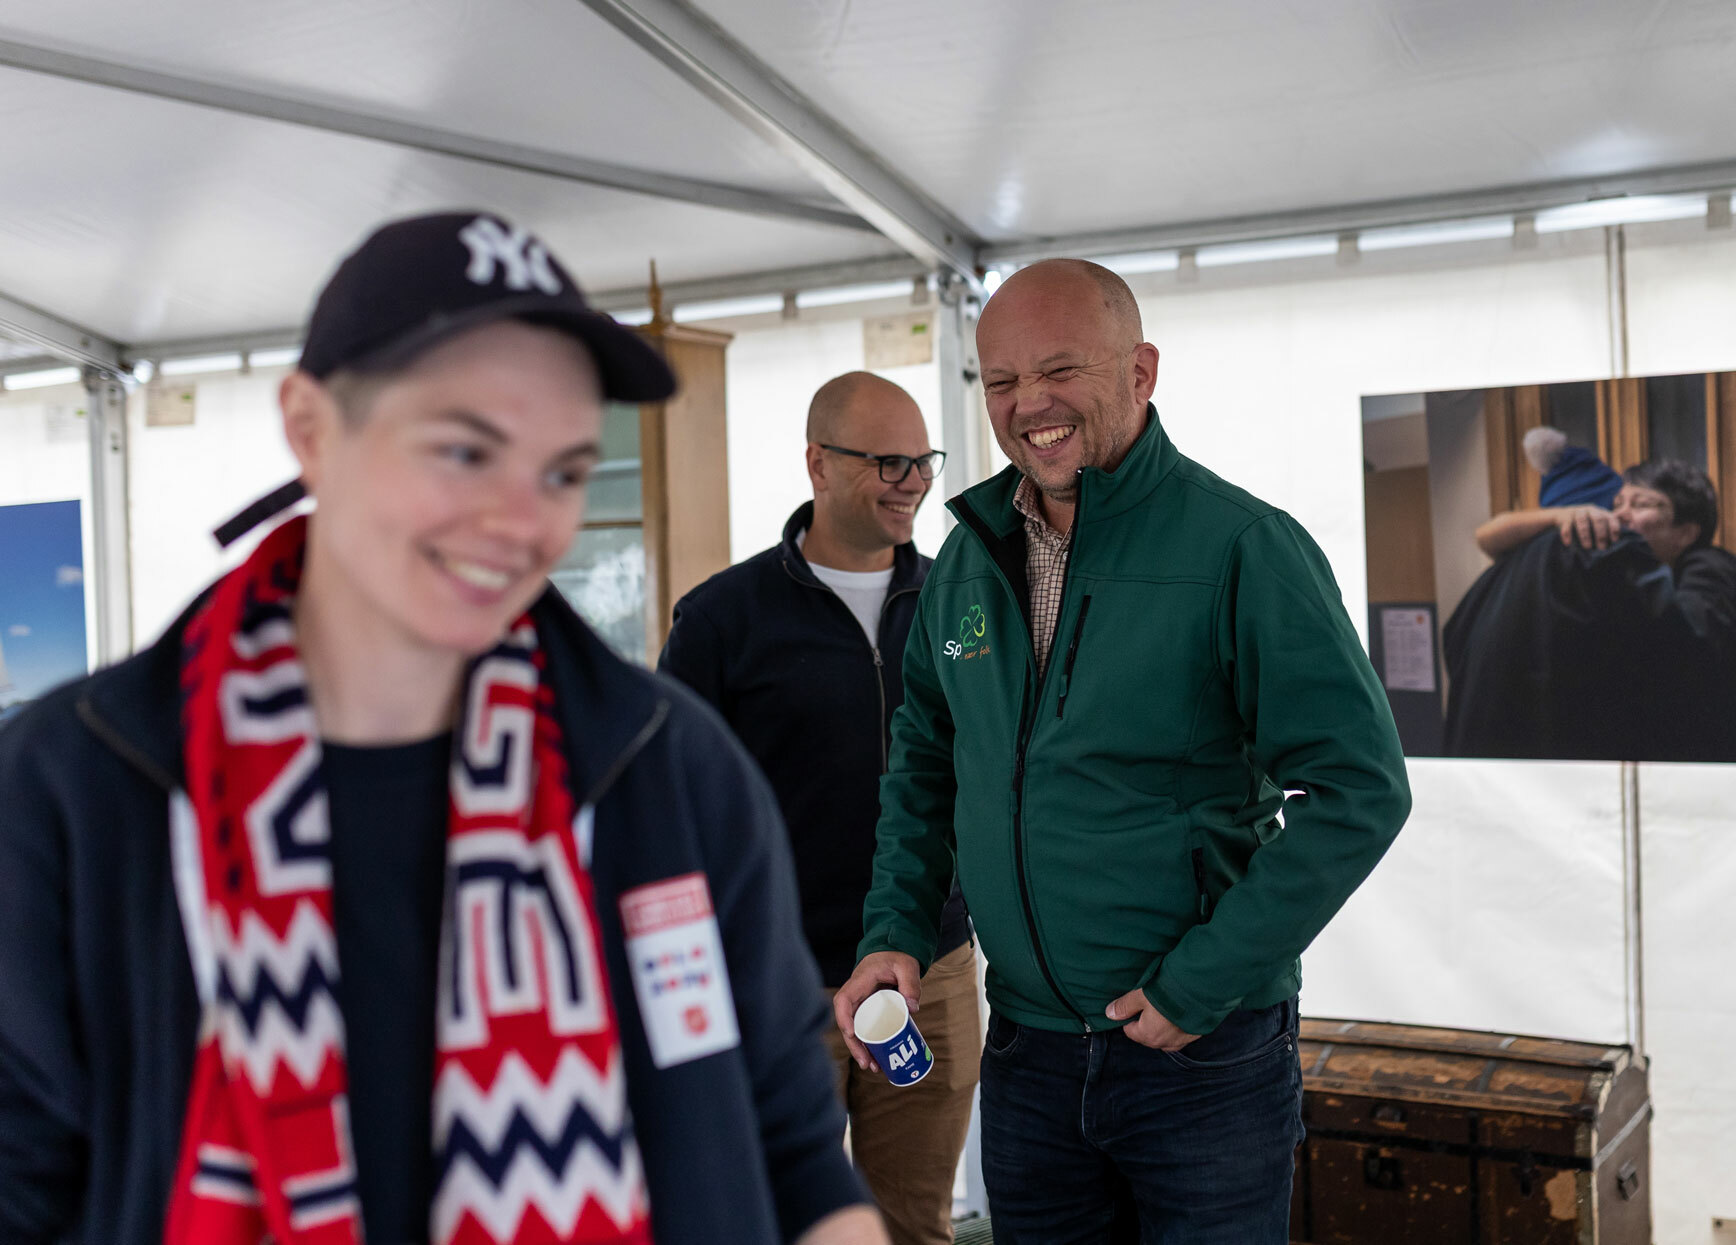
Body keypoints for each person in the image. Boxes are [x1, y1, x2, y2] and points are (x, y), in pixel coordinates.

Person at [0, 211, 883, 1245]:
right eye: (465, 450)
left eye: (561, 470)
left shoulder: (667, 767)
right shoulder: (78, 788)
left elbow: (790, 1150)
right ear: (311, 428)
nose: (522, 520)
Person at [833, 259, 1412, 1243]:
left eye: (1059, 371)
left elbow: (1358, 789)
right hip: (1027, 1052)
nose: (1029, 406)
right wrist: (894, 927)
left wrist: (1202, 981)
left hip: (1199, 1055)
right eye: (1003, 382)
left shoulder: (1241, 548)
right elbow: (925, 757)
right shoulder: (969, 554)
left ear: (1141, 371)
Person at [659, 372, 979, 1245]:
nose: (911, 479)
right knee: (770, 1220)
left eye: (921, 460)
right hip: (780, 981)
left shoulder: (961, 604)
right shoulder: (723, 619)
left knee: (913, 1221)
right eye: (886, 460)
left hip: (930, 971)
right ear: (818, 463)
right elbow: (664, 807)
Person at [1454, 459, 1736, 763]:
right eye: (1617, 504)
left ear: (1687, 532)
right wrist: (1560, 516)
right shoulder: (1609, 597)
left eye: (1642, 504)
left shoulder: (1730, 596)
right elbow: (1488, 538)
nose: (1620, 516)